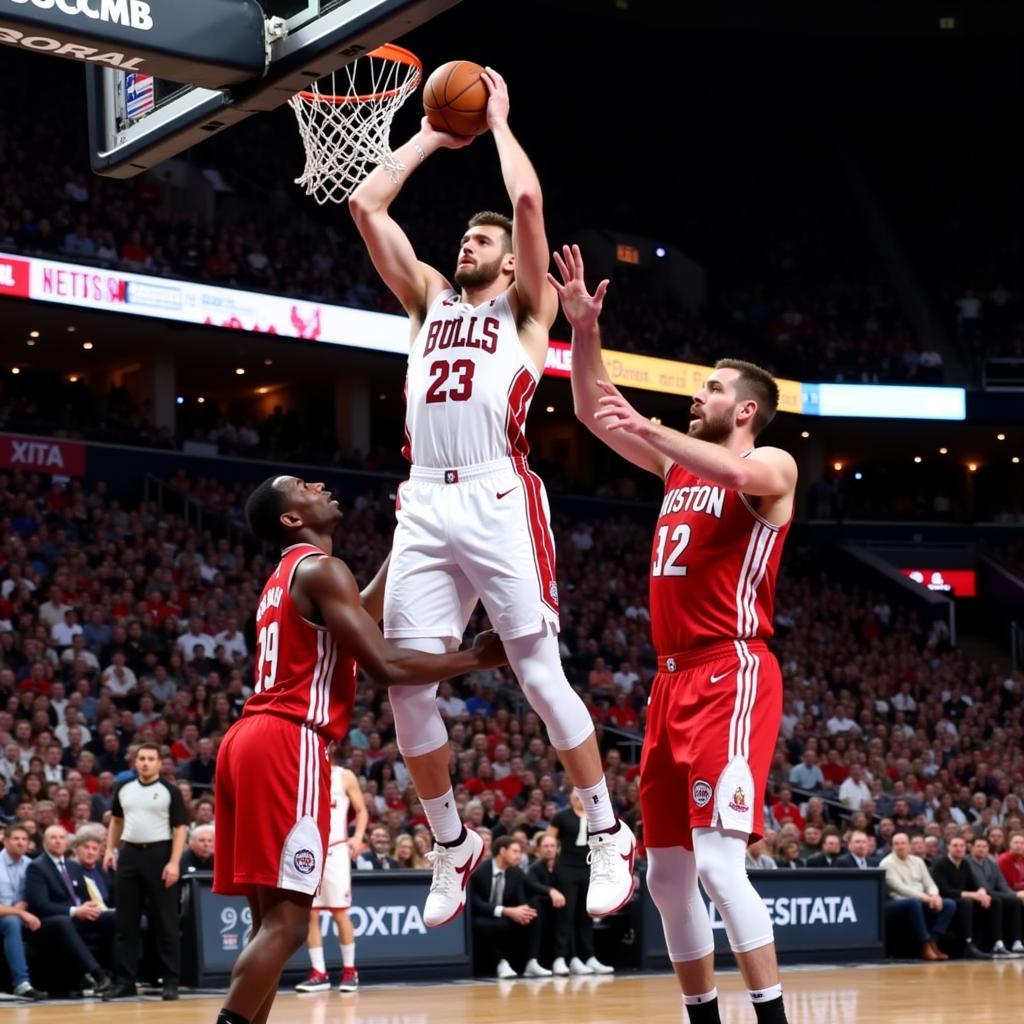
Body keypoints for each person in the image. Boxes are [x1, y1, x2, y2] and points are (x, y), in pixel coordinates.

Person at [348, 70, 634, 929]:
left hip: (497, 491)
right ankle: (450, 843)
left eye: (482, 239)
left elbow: (530, 202)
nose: (468, 244)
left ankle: (606, 831)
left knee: (539, 672)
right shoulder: (427, 299)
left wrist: (500, 121)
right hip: (425, 504)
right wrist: (436, 134)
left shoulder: (525, 311)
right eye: (465, 236)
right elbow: (367, 207)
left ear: (511, 263)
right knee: (405, 688)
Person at [551, 244, 796, 1024]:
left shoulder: (772, 466)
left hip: (733, 670)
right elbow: (594, 411)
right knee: (666, 876)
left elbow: (730, 473)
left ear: (746, 409)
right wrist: (583, 332)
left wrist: (653, 430)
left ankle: (772, 1017)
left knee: (722, 867)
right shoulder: (676, 469)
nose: (699, 397)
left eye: (713, 390)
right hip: (670, 682)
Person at [212, 475, 504, 1024]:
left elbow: (362, 610)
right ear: (291, 519)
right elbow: (384, 666)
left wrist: (408, 536)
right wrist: (475, 659)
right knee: (291, 925)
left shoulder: (288, 576)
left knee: (270, 925)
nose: (318, 484)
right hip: (289, 740)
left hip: (250, 739)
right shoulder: (322, 569)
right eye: (301, 486)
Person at [102, 744, 188, 1000]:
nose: (146, 763)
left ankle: (170, 981)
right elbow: (117, 821)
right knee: (125, 922)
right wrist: (109, 849)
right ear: (135, 762)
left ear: (160, 763)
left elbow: (181, 828)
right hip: (129, 854)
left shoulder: (169, 791)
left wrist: (174, 862)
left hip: (160, 854)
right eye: (142, 758)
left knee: (166, 922)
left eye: (151, 759)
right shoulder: (123, 788)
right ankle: (125, 981)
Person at [296, 761, 368, 993]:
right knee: (310, 914)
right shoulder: (303, 773)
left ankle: (350, 971)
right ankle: (319, 973)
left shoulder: (344, 776)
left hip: (336, 849)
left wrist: (357, 837)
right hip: (309, 850)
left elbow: (361, 811)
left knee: (339, 911)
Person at [24, 824, 116, 995]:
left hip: (76, 917)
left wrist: (89, 908)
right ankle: (99, 976)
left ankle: (119, 976)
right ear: (45, 842)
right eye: (53, 837)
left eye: (61, 837)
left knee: (114, 917)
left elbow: (83, 897)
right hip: (47, 923)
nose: (58, 841)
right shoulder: (37, 867)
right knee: (63, 922)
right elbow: (40, 905)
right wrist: (75, 910)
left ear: (67, 842)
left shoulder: (73, 866)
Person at [548, 790, 614, 975]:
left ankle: (589, 957)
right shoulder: (561, 817)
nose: (579, 802)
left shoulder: (595, 818)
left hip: (588, 868)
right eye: (575, 798)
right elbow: (549, 838)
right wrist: (550, 861)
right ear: (571, 800)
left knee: (586, 915)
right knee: (566, 915)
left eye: (581, 798)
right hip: (566, 868)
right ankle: (561, 958)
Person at [879, 831, 956, 961]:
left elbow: (929, 883)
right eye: (896, 844)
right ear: (892, 846)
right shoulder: (886, 863)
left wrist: (935, 896)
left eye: (903, 843)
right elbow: (899, 888)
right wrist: (925, 898)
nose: (900, 846)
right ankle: (925, 944)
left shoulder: (918, 861)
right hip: (897, 903)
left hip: (922, 900)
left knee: (949, 904)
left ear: (909, 845)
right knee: (913, 901)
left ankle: (933, 941)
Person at [469, 835, 537, 978]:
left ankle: (532, 963)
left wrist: (524, 912)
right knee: (486, 925)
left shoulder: (516, 872)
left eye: (520, 852)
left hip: (504, 914)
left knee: (534, 914)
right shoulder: (479, 871)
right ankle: (501, 963)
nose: (519, 856)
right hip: (481, 914)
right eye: (515, 851)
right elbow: (475, 904)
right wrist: (506, 911)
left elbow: (520, 898)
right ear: (502, 851)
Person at [921, 835, 993, 958]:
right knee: (967, 902)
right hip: (943, 898)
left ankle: (991, 943)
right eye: (955, 846)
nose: (959, 849)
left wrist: (981, 891)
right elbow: (943, 890)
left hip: (958, 897)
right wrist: (972, 894)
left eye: (961, 846)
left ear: (966, 848)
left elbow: (973, 883)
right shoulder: (940, 863)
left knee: (991, 900)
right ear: (948, 847)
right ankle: (968, 944)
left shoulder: (964, 863)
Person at [0, 824, 47, 1000]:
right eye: (16, 839)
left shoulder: (32, 865)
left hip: (26, 916)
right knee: (11, 922)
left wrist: (26, 906)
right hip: (4, 918)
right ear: (5, 841)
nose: (21, 843)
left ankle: (84, 977)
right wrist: (19, 913)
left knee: (58, 922)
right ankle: (22, 984)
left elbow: (36, 895)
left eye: (24, 839)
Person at [966, 836, 1024, 955]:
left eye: (984, 847)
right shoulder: (967, 863)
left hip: (994, 894)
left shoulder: (992, 863)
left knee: (1015, 900)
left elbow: (1002, 884)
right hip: (976, 896)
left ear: (988, 848)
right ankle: (997, 943)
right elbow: (980, 886)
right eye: (978, 846)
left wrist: (1016, 894)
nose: (982, 849)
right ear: (971, 848)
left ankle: (1017, 942)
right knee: (997, 900)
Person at [524, 832, 567, 976]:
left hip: (558, 907)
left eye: (552, 846)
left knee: (566, 905)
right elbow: (532, 884)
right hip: (540, 907)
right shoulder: (534, 867)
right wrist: (551, 891)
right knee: (536, 904)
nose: (549, 849)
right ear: (538, 849)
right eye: (546, 846)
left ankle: (561, 958)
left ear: (557, 848)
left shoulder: (563, 866)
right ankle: (532, 961)